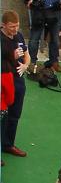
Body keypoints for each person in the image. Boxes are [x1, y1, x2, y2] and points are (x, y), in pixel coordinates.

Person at [0, 10, 29, 156]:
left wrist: (25, 65)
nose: (15, 29)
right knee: (2, 115)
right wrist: (13, 56)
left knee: (15, 114)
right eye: (12, 26)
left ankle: (8, 144)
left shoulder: (18, 36)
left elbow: (26, 53)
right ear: (3, 25)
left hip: (17, 80)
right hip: (3, 81)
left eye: (17, 26)